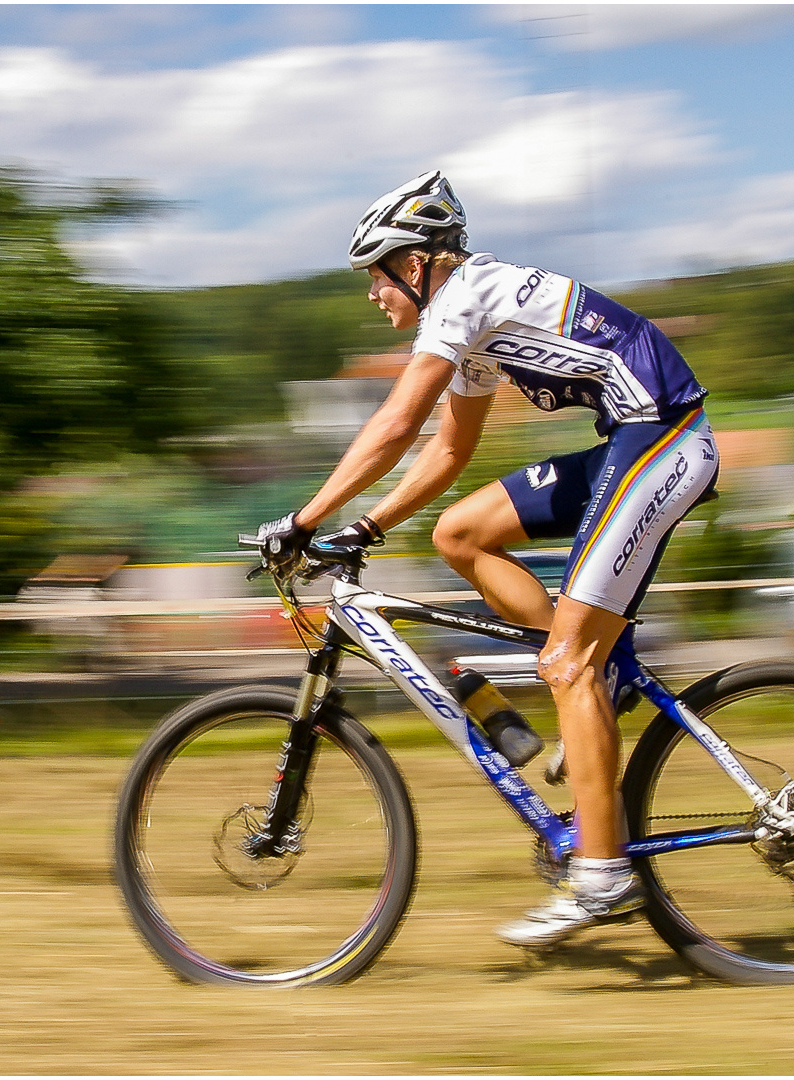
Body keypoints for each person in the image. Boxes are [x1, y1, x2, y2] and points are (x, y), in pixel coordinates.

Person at [253, 170, 719, 947]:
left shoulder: (465, 294)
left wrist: (302, 519)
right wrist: (365, 528)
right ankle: (590, 671)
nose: (373, 293)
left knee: (564, 663)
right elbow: (449, 447)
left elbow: (399, 420)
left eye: (378, 273)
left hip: (664, 438)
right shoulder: (472, 330)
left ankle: (603, 876)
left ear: (420, 262)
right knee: (459, 534)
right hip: (633, 440)